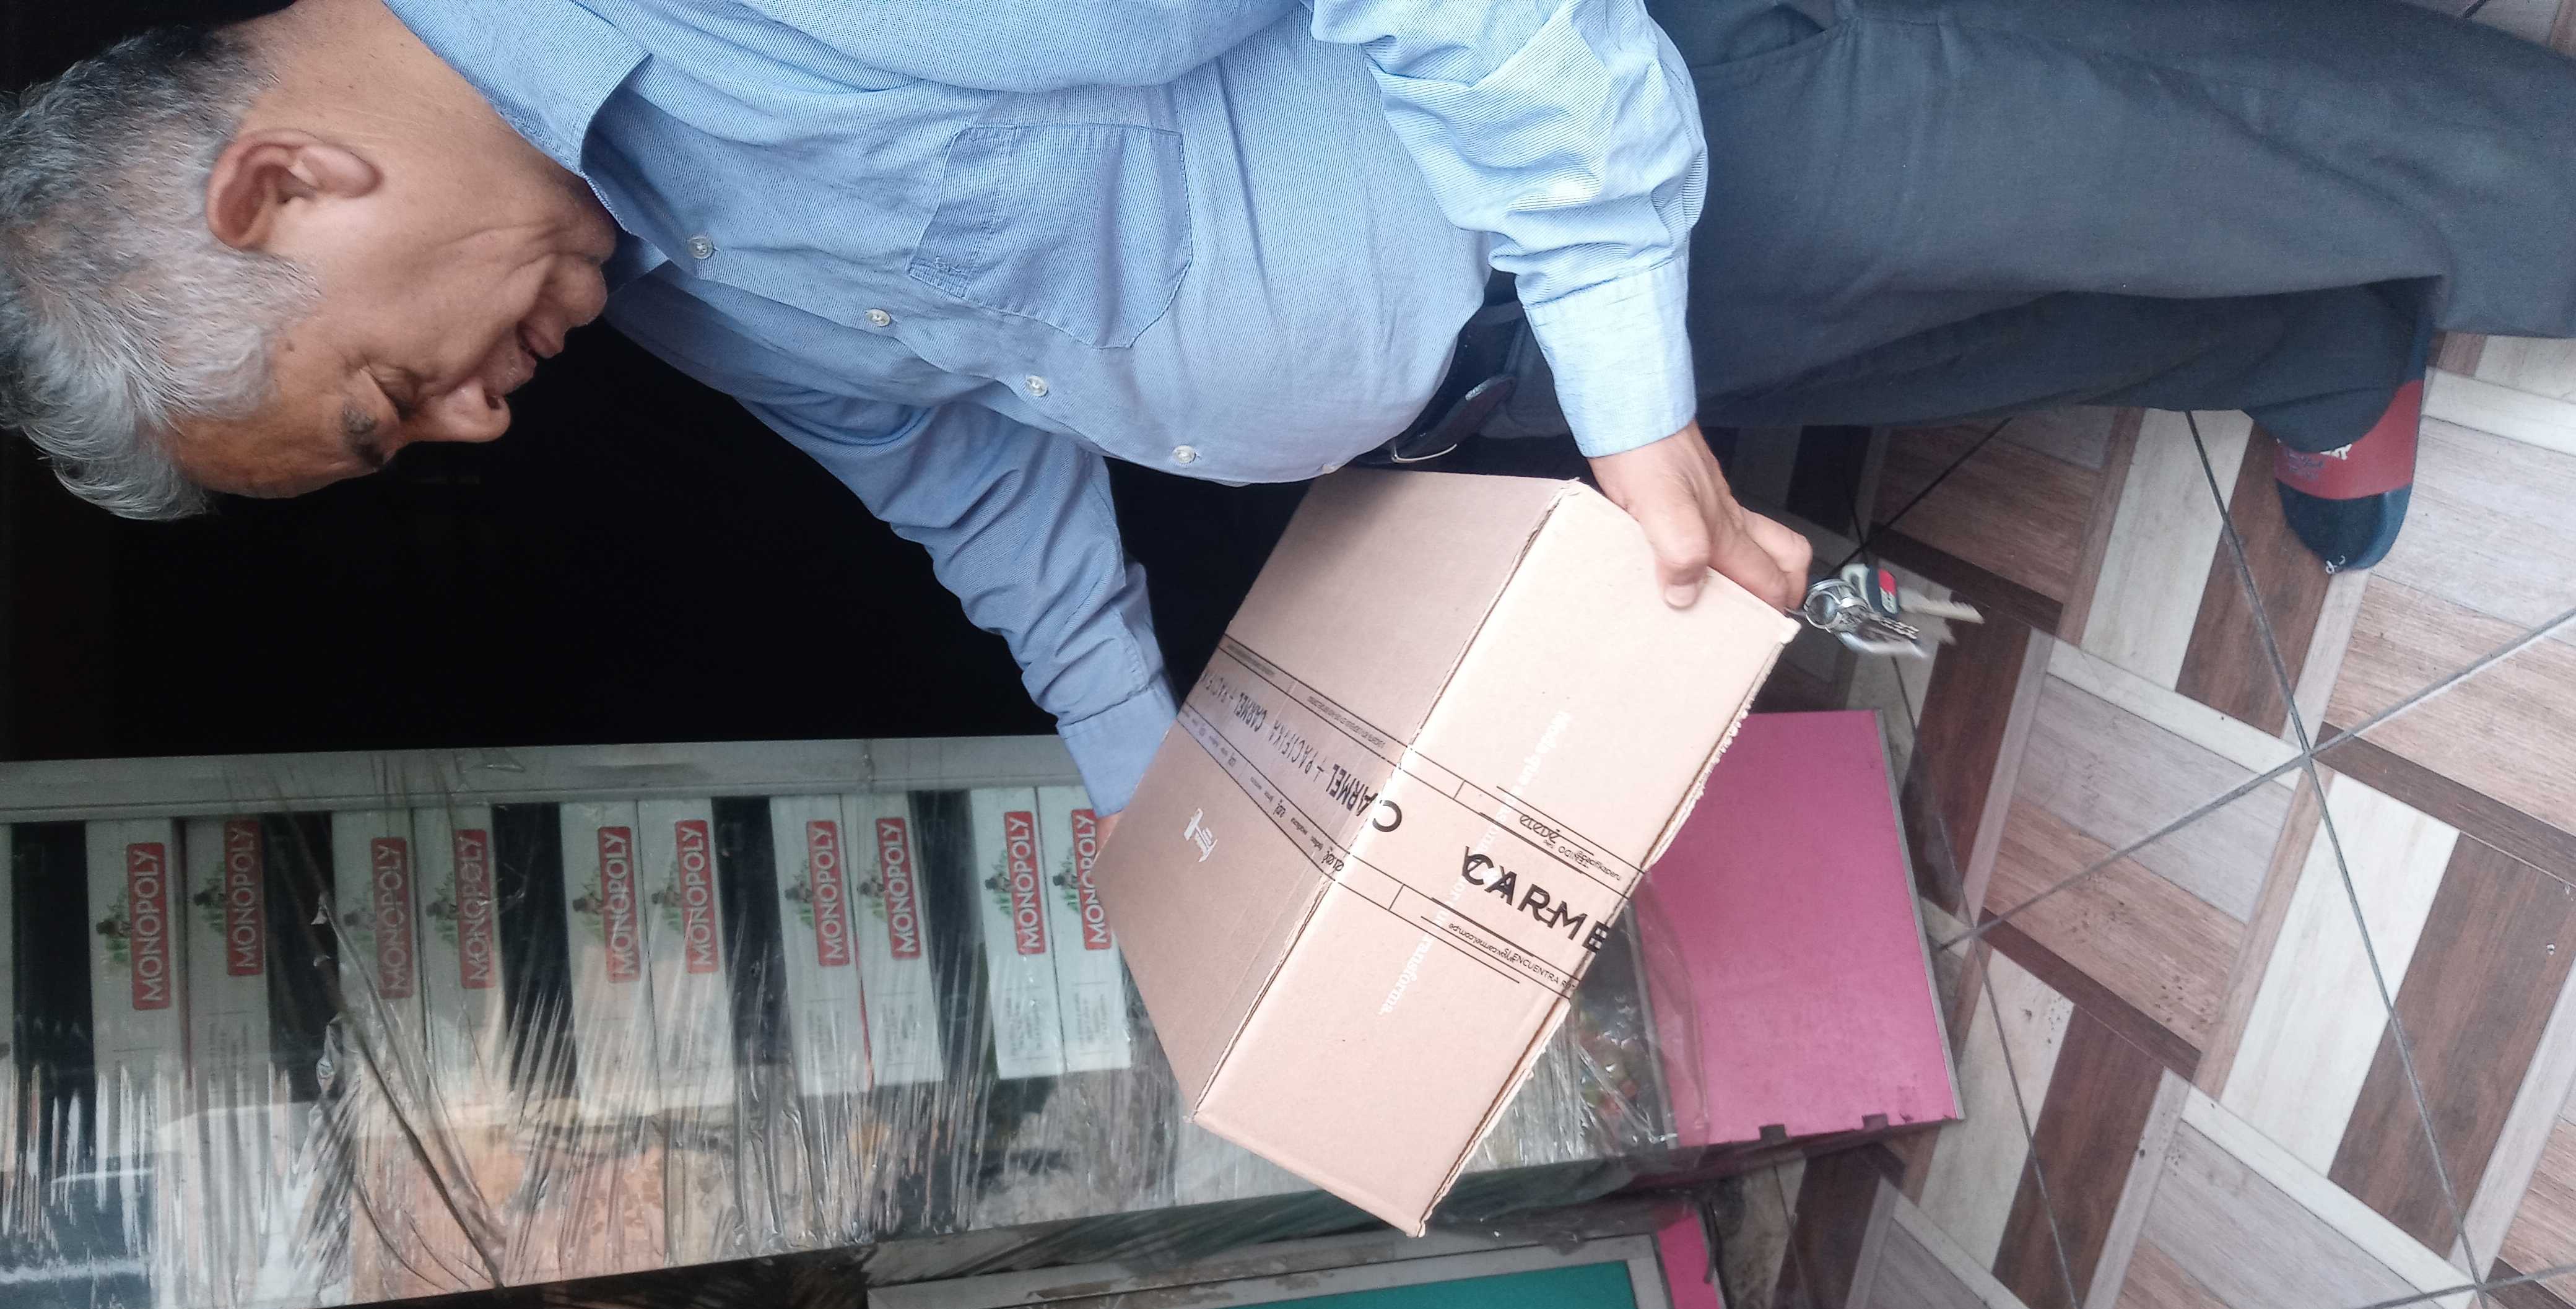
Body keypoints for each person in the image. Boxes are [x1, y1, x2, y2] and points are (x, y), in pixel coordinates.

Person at [3, 0, 2571, 816]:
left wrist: (1612, 327)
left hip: (1627, 152)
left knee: (2210, 144)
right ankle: (2320, 355)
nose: (467, 430)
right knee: (2006, 337)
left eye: (382, 399)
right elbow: (957, 466)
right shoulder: (635, 256)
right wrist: (1155, 787)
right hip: (1500, 357)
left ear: (282, 185)